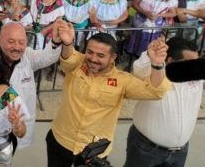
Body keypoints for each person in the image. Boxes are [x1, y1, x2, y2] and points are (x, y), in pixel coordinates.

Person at [46, 19, 170, 166]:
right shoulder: (77, 64)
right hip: (61, 140)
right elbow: (68, 59)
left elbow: (155, 92)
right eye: (90, 52)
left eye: (100, 55)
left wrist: (156, 65)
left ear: (113, 58)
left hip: (93, 152)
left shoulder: (123, 80)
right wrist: (67, 43)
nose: (93, 59)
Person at [0, 21, 67, 148]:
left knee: (10, 151)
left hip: (17, 123)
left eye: (21, 42)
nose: (17, 47)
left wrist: (55, 41)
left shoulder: (28, 56)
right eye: (11, 42)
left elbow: (46, 57)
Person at [125, 37, 205, 167]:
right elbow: (139, 69)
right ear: (170, 61)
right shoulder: (153, 73)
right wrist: (150, 55)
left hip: (180, 152)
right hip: (145, 149)